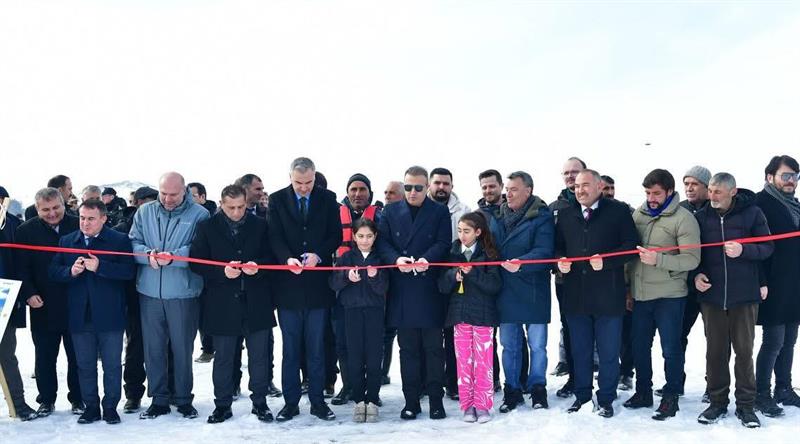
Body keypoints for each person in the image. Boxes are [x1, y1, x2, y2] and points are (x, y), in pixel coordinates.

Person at [189, 185, 277, 424]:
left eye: (241, 207)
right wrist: (221, 272)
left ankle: (260, 402)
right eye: (231, 208)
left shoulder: (260, 225)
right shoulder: (207, 227)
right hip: (222, 304)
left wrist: (258, 267)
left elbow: (271, 256)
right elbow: (196, 262)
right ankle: (222, 405)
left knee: (260, 357)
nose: (237, 212)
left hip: (256, 301)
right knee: (224, 358)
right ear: (221, 204)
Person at [555, 169, 639, 418]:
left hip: (608, 295)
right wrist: (559, 261)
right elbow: (557, 247)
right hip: (575, 294)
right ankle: (582, 396)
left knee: (608, 351)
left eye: (585, 185)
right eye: (576, 186)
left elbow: (631, 246)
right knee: (580, 350)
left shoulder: (618, 211)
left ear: (599, 186)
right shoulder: (566, 214)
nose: (579, 190)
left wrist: (608, 261)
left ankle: (606, 398)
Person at [694, 173, 773, 428]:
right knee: (715, 352)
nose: (712, 196)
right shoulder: (701, 217)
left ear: (733, 191)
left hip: (744, 296)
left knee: (744, 352)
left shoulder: (753, 214)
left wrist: (743, 250)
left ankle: (746, 406)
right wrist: (697, 275)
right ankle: (717, 402)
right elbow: (694, 254)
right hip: (713, 297)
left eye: (718, 191)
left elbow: (768, 247)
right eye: (711, 191)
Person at [129, 172, 210, 419]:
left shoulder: (199, 214)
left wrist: (174, 257)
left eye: (173, 194)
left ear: (184, 191)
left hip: (183, 293)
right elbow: (133, 242)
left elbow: (200, 248)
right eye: (163, 193)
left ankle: (183, 398)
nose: (167, 199)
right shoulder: (144, 212)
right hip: (149, 292)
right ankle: (158, 399)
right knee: (153, 348)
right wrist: (147, 255)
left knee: (182, 348)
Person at [49, 199, 136, 424]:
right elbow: (54, 271)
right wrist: (70, 271)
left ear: (103, 218)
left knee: (112, 365)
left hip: (110, 314)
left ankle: (110, 407)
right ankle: (91, 407)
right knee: (85, 365)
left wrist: (101, 267)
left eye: (91, 219)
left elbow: (129, 272)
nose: (85, 223)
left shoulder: (119, 240)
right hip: (80, 315)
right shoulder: (67, 241)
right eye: (82, 218)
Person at [268, 157, 341, 422]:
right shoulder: (276, 200)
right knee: (291, 349)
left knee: (317, 348)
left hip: (318, 287)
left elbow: (335, 235)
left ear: (314, 176)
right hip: (288, 288)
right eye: (298, 182)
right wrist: (286, 258)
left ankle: (318, 402)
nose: (303, 187)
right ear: (290, 177)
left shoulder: (328, 198)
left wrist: (319, 254)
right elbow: (273, 236)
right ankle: (290, 403)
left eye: (308, 182)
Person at [624, 169, 700, 420]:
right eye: (647, 193)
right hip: (641, 294)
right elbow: (629, 255)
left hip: (670, 295)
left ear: (669, 191)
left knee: (671, 348)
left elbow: (691, 259)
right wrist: (628, 288)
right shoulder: (639, 214)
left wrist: (659, 260)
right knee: (639, 346)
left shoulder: (684, 218)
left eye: (656, 193)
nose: (651, 198)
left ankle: (671, 396)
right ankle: (643, 391)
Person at [377, 165, 451, 420]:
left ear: (427, 187)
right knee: (407, 350)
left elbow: (443, 242)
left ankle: (436, 401)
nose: (412, 192)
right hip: (402, 288)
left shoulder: (439, 211)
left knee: (433, 349)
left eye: (418, 187)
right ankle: (411, 401)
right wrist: (396, 259)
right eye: (408, 187)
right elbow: (382, 243)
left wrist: (427, 259)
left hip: (429, 288)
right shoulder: (390, 211)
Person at [15, 187, 84, 416]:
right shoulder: (26, 231)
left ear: (64, 204)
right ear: (37, 209)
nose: (52, 213)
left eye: (56, 207)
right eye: (46, 210)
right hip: (42, 302)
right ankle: (46, 399)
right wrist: (28, 293)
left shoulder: (78, 224)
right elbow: (21, 268)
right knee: (45, 356)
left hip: (75, 301)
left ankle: (78, 399)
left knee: (77, 355)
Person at [492, 171, 554, 413]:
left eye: (514, 189)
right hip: (506, 291)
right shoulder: (497, 217)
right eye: (507, 189)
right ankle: (512, 389)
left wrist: (522, 263)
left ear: (528, 191)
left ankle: (538, 388)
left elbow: (545, 251)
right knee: (509, 345)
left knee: (537, 346)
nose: (508, 194)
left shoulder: (542, 216)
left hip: (533, 290)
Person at [438, 212, 502, 423]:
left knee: (483, 363)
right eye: (459, 231)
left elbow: (494, 285)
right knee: (464, 363)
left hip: (483, 316)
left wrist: (473, 273)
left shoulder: (489, 253)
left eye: (466, 231)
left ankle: (483, 406)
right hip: (459, 315)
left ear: (478, 232)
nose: (462, 235)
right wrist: (453, 276)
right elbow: (442, 286)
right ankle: (467, 406)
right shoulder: (452, 252)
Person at [329, 218, 388, 423]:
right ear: (354, 236)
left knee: (374, 357)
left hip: (374, 312)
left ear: (375, 237)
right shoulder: (346, 258)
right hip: (351, 312)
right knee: (354, 357)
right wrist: (346, 276)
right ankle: (358, 401)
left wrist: (374, 277)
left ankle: (372, 400)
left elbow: (384, 288)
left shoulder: (380, 258)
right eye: (361, 236)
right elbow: (333, 283)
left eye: (369, 236)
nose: (365, 240)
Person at [331, 173, 382, 406]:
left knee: (374, 347)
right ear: (347, 192)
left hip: (372, 299)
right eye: (353, 189)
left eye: (362, 189)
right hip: (345, 296)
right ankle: (349, 386)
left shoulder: (379, 216)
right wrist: (343, 276)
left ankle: (373, 391)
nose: (358, 193)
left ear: (370, 193)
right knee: (344, 344)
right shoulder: (336, 214)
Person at [754, 155, 800, 412]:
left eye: (795, 176)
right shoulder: (760, 204)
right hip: (772, 284)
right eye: (786, 175)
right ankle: (762, 393)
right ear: (770, 177)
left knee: (790, 339)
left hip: (794, 284)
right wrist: (761, 281)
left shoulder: (795, 205)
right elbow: (756, 246)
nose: (791, 181)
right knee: (774, 341)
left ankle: (784, 387)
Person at [428, 167, 471, 401]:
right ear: (430, 185)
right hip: (427, 277)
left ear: (452, 186)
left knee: (454, 334)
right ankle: (429, 381)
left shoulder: (463, 210)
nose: (441, 187)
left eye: (446, 183)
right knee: (430, 335)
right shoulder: (422, 207)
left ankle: (454, 382)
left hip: (455, 277)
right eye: (437, 183)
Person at [550, 157, 586, 396]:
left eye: (575, 171)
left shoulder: (599, 203)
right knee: (571, 328)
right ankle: (574, 377)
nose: (571, 176)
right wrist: (557, 261)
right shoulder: (554, 207)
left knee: (599, 329)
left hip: (597, 279)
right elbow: (550, 242)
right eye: (567, 173)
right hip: (565, 280)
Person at [0, 199, 38, 421]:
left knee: (6, 354)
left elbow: (20, 263)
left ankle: (18, 403)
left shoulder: (13, 225)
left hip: (4, 298)